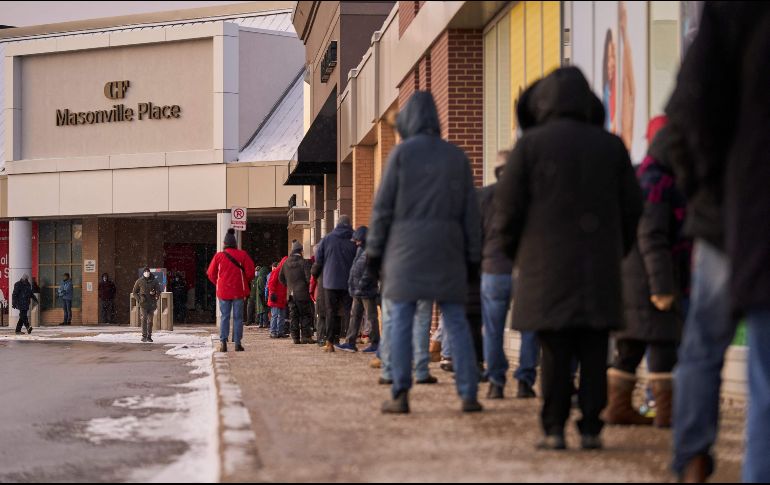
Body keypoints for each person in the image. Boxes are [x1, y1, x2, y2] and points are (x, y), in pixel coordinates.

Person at [495, 67, 642, 450]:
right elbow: (632, 209)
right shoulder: (611, 146)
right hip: (600, 266)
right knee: (595, 349)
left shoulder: (530, 147)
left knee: (555, 351)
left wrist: (518, 256)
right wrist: (617, 250)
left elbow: (507, 211)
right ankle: (592, 426)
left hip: (546, 269)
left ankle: (554, 428)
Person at [666, 3, 770, 482]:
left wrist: (708, 188)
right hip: (737, 204)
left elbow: (689, 107)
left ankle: (691, 456)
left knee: (704, 346)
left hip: (733, 209)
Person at [368, 90, 483, 414]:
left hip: (405, 254)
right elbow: (470, 215)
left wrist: (374, 254)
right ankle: (468, 392)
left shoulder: (401, 156)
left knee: (401, 320)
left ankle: (401, 393)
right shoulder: (456, 157)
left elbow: (382, 209)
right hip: (448, 252)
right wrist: (473, 257)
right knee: (456, 320)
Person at [604, 118, 690, 429]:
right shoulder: (658, 181)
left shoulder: (641, 175)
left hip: (632, 277)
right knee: (664, 344)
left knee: (629, 347)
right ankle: (666, 413)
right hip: (652, 279)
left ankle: (619, 408)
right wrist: (662, 287)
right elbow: (652, 235)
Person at [479, 150, 517, 400]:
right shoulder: (527, 194)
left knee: (492, 329)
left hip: (493, 268)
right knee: (530, 328)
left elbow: (476, 233)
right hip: (523, 268)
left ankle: (496, 382)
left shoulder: (485, 196)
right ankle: (525, 380)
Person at [312, 215, 357, 353]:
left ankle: (330, 342)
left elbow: (318, 261)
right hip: (349, 281)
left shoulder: (328, 239)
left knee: (330, 311)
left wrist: (315, 274)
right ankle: (350, 341)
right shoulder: (354, 239)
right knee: (349, 311)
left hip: (330, 281)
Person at [207, 229, 256, 352]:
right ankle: (237, 343)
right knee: (238, 318)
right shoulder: (243, 255)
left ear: (224, 244)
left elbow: (210, 273)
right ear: (235, 243)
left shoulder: (219, 256)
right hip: (238, 291)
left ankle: (223, 342)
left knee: (225, 317)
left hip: (223, 291)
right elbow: (251, 272)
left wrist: (218, 283)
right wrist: (244, 280)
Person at [337, 226, 380, 353]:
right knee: (354, 316)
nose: (355, 242)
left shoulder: (370, 251)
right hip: (357, 290)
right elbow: (355, 269)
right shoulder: (360, 250)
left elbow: (369, 271)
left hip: (366, 290)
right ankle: (350, 342)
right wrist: (352, 285)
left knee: (371, 317)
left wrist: (361, 285)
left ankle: (375, 342)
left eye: (357, 240)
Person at [279, 241, 316, 344]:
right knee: (305, 315)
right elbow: (309, 278)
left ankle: (295, 337)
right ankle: (306, 336)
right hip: (302, 293)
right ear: (301, 251)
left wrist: (288, 285)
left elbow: (280, 277)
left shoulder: (285, 263)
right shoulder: (303, 262)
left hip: (290, 294)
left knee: (293, 315)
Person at [133, 267, 161, 343]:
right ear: (143, 273)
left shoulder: (154, 281)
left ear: (150, 272)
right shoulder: (139, 281)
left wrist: (155, 294)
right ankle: (144, 335)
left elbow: (158, 291)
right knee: (144, 318)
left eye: (148, 271)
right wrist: (139, 299)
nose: (146, 273)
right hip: (143, 303)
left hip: (152, 303)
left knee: (150, 321)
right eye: (145, 271)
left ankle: (149, 336)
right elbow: (134, 292)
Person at [267, 258, 288, 339]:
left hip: (281, 297)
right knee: (275, 315)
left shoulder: (283, 272)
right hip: (276, 297)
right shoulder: (277, 272)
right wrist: (272, 293)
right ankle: (273, 332)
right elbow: (271, 283)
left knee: (281, 315)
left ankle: (280, 332)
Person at [310, 247, 327, 347]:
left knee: (320, 317)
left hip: (319, 293)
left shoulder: (317, 264)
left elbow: (312, 281)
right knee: (330, 315)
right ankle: (332, 338)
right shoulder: (331, 262)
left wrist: (311, 293)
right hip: (331, 292)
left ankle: (321, 338)